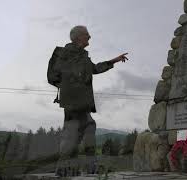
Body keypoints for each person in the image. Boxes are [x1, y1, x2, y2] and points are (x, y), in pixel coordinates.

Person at [48, 25, 129, 176]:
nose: (89, 37)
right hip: (72, 100)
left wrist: (115, 60)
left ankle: (72, 167)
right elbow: (53, 76)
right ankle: (75, 166)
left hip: (83, 101)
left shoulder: (84, 56)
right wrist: (69, 88)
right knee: (77, 130)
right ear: (79, 37)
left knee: (81, 130)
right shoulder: (64, 53)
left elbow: (95, 69)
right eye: (87, 35)